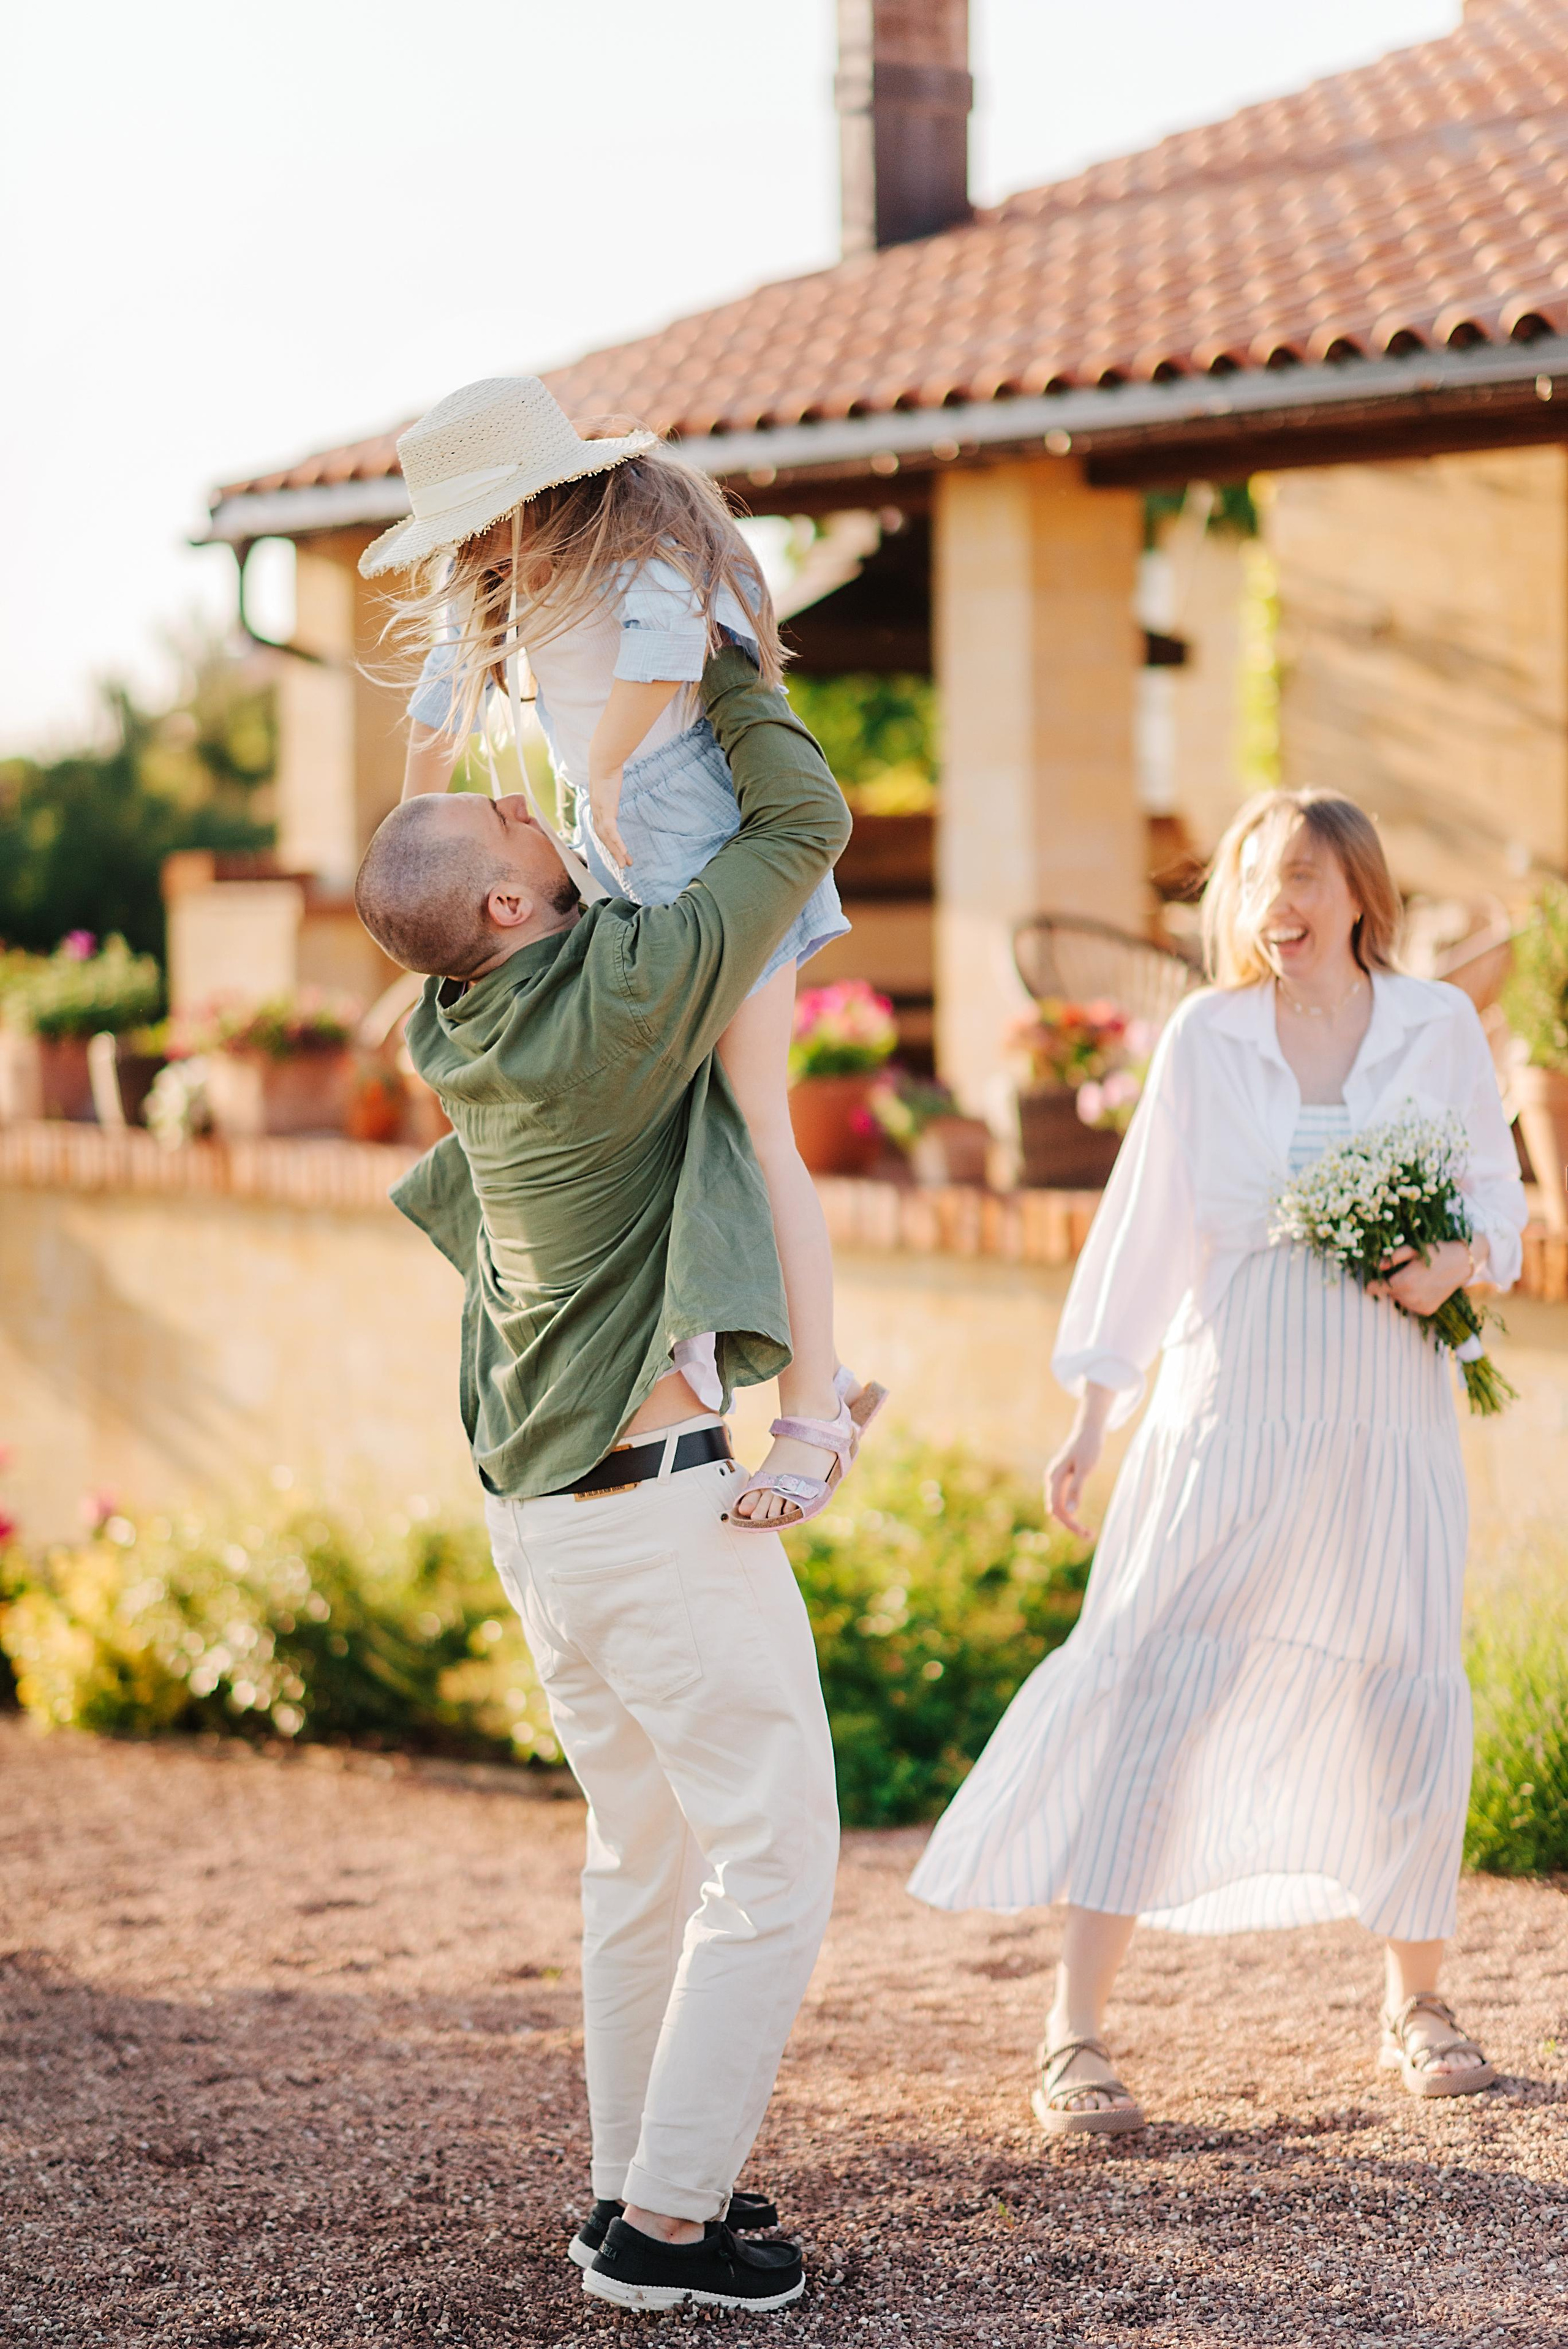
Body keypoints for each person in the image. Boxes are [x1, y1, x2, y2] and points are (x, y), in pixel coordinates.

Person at [353, 641, 856, 2312]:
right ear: (505, 910)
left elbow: (460, 838)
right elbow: (804, 822)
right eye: (510, 820)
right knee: (778, 1857)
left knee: (645, 1859)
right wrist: (713, 655)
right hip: (651, 1513)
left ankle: (628, 2185)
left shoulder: (462, 1007)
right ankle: (666, 2231)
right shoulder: (618, 998)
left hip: (554, 1525)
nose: (532, 795)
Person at [908, 790, 1526, 2133]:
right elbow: (1146, 1231)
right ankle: (1072, 2035)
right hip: (1227, 1403)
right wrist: (1092, 1411)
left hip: (1384, 1412)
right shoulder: (1205, 1035)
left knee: (1400, 1686)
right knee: (1155, 1678)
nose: (1274, 898)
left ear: (1358, 891)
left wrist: (1453, 1262)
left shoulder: (1430, 1027)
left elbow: (1498, 1193)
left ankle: (1413, 2003)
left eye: (1300, 873)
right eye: (1254, 875)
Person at [360, 372, 880, 1529]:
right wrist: (414, 853)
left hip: (707, 848)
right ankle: (773, 1358)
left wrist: (594, 778)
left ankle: (815, 1415)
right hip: (619, 874)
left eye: (475, 523)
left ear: (530, 496)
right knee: (674, 1129)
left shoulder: (642, 548)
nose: (468, 552)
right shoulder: (494, 585)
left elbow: (659, 668)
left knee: (753, 1126)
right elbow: (438, 720)